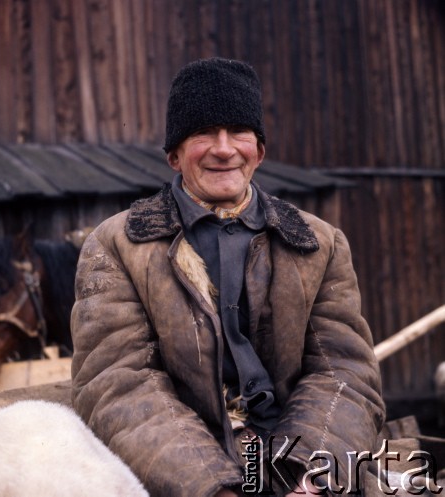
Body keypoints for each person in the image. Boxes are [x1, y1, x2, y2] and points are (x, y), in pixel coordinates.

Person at [71, 57, 385, 497]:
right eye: (203, 133)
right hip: (183, 476)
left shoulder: (318, 243)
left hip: (300, 467)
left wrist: (308, 475)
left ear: (259, 150)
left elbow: (344, 372)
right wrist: (213, 486)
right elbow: (118, 385)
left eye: (239, 132)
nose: (223, 148)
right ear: (174, 156)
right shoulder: (117, 245)